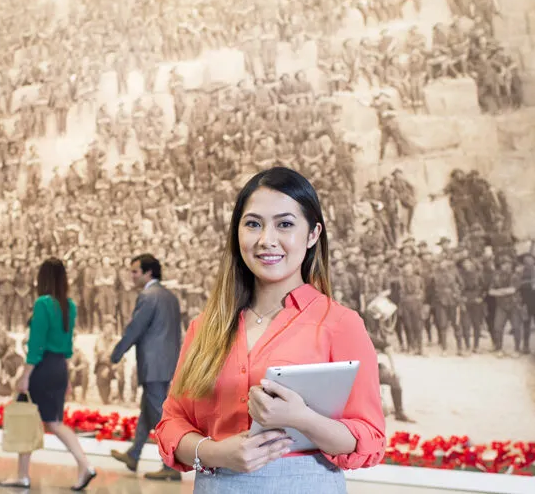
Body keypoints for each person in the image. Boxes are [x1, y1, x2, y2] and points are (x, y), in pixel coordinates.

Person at [154, 167, 386, 493]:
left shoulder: (340, 324)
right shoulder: (205, 326)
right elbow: (171, 424)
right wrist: (215, 452)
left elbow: (370, 438)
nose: (267, 240)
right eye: (253, 224)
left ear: (313, 234)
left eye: (285, 224)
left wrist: (300, 417)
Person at [0, 258, 97, 492]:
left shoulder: (43, 303)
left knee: (38, 419)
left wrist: (25, 374)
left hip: (42, 367)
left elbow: (37, 344)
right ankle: (23, 474)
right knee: (48, 421)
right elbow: (68, 346)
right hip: (59, 367)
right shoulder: (69, 305)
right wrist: (68, 378)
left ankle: (83, 465)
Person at [110, 254, 184, 481]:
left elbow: (135, 328)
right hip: (166, 363)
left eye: (135, 271)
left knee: (159, 416)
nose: (131, 276)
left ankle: (171, 465)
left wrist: (115, 353)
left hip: (152, 365)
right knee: (147, 411)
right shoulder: (170, 296)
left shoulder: (148, 296)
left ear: (148, 273)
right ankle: (134, 454)